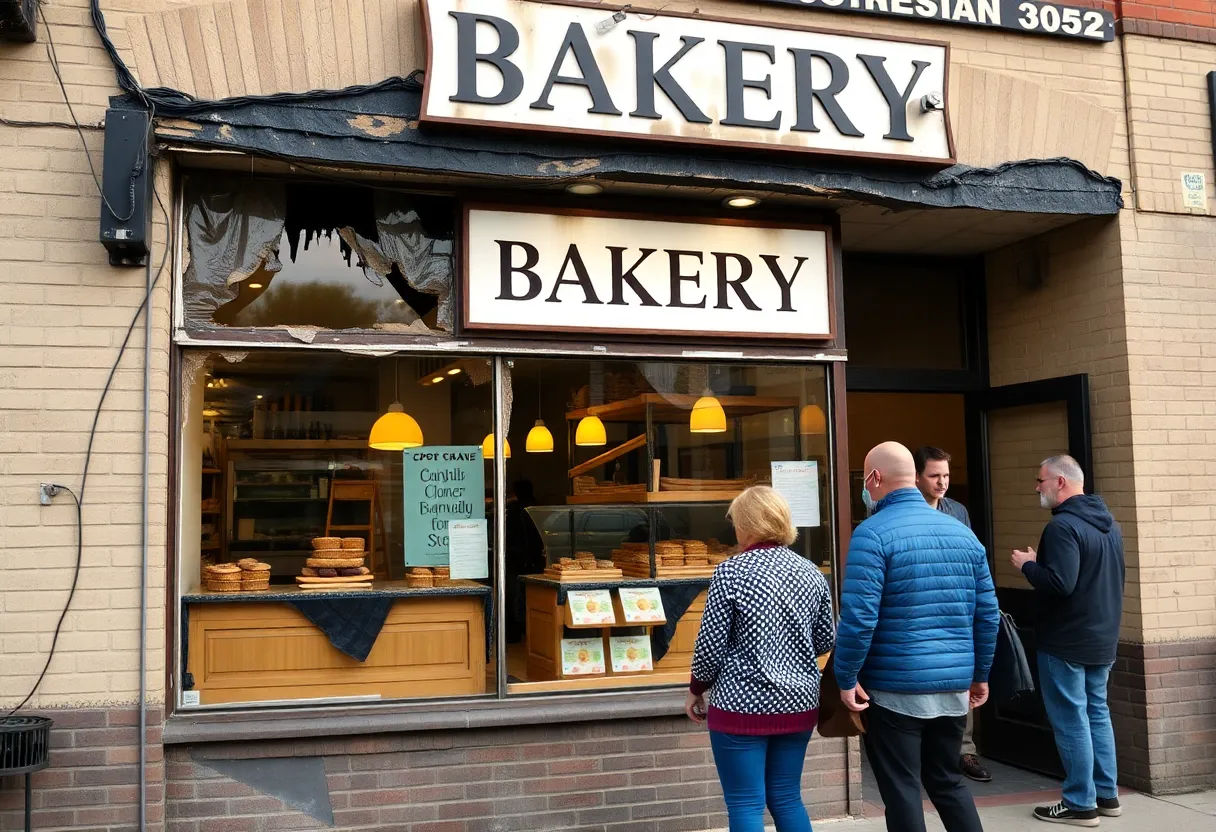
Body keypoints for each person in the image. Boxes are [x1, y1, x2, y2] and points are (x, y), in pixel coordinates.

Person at [836, 441, 999, 832]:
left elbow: (859, 618)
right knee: (948, 782)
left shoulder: (872, 534)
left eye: (865, 480)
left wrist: (846, 677)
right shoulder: (963, 534)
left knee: (902, 790)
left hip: (895, 687)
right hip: (953, 685)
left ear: (875, 478)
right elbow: (987, 615)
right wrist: (979, 675)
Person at [685, 486, 835, 832]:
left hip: (740, 703)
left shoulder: (730, 572)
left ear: (747, 524)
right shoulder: (811, 572)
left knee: (745, 803)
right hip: (798, 701)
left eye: (736, 522)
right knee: (787, 797)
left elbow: (710, 647)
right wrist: (789, 651)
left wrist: (696, 689)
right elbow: (826, 639)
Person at [1012, 455, 1125, 827]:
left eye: (1040, 480)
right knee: (1097, 714)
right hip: (1102, 638)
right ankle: (1106, 796)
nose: (1037, 487)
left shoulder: (1062, 527)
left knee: (1072, 720)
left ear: (1060, 482)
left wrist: (1028, 565)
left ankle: (1080, 803)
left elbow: (1061, 583)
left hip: (1065, 641)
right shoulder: (1110, 525)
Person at [913, 446, 991, 785]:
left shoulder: (957, 511)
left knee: (960, 679)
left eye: (946, 475)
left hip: (956, 607)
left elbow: (972, 561)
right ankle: (922, 752)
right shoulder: (902, 509)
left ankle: (964, 751)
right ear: (917, 476)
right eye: (934, 475)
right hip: (918, 606)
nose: (942, 482)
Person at [503, 479, 543, 643]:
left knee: (512, 594)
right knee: (533, 595)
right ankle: (534, 632)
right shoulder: (538, 507)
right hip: (534, 556)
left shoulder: (513, 508)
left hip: (514, 555)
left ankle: (513, 633)